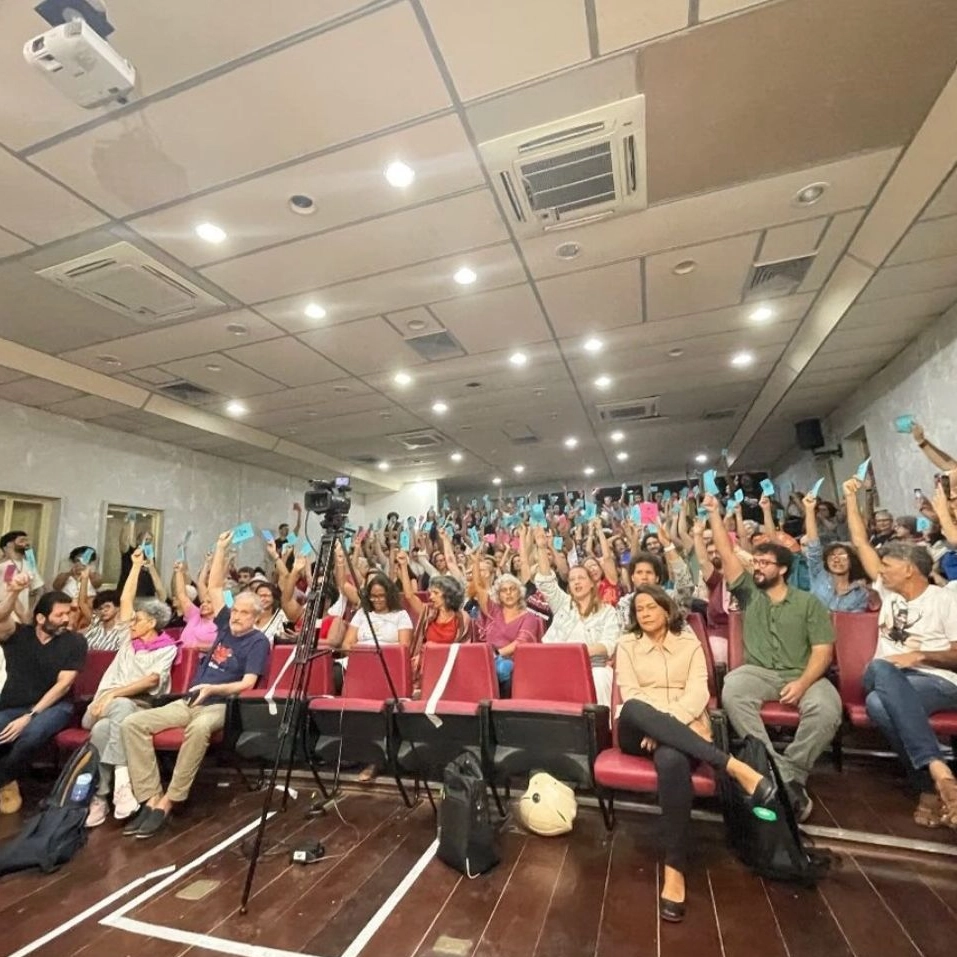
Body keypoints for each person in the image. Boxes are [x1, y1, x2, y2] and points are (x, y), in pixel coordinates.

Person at [616, 585, 776, 923]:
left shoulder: (688, 643)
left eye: (650, 607)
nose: (643, 613)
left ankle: (674, 868)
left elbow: (698, 692)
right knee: (632, 706)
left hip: (683, 727)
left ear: (666, 609)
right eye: (638, 609)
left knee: (672, 759)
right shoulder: (627, 644)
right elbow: (630, 693)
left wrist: (665, 725)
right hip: (637, 731)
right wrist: (655, 724)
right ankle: (731, 765)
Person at [119, 531, 269, 838]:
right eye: (236, 610)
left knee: (199, 729)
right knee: (132, 723)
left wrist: (213, 689)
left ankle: (170, 800)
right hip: (191, 700)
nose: (237, 616)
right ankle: (149, 796)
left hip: (220, 705)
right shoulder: (225, 626)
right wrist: (220, 546)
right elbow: (213, 587)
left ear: (256, 616)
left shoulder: (258, 641)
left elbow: (248, 682)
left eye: (244, 613)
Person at [704, 494, 841, 822]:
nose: (757, 566)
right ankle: (777, 771)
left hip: (804, 673)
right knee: (733, 688)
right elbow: (726, 553)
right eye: (756, 562)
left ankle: (790, 774)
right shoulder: (749, 593)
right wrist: (714, 514)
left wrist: (804, 681)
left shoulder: (808, 603)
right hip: (759, 673)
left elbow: (823, 650)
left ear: (782, 568)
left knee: (828, 709)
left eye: (764, 563)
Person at [844, 476, 957, 828]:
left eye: (888, 567)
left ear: (909, 569)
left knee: (879, 702)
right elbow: (859, 541)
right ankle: (940, 770)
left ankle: (927, 784)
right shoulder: (889, 594)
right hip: (889, 675)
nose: (880, 572)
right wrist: (852, 498)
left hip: (937, 683)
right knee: (880, 669)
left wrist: (920, 657)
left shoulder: (946, 598)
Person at [83, 549, 177, 827]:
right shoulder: (128, 640)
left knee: (105, 729)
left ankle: (99, 798)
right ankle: (124, 781)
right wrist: (135, 566)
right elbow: (125, 598)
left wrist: (114, 693)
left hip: (135, 709)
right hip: (98, 707)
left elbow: (150, 681)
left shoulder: (166, 648)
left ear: (152, 623)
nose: (131, 622)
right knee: (115, 713)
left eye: (137, 619)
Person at [0, 582, 86, 814]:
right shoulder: (19, 635)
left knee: (30, 734)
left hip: (54, 707)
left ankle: (4, 780)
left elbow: (63, 685)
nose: (66, 619)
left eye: (68, 613)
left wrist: (30, 715)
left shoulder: (75, 642)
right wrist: (14, 592)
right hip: (13, 704)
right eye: (60, 615)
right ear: (40, 618)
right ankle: (9, 781)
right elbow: (1, 618)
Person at [531, 526, 619, 707]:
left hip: (593, 667)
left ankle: (601, 730)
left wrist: (575, 653)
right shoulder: (563, 604)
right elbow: (547, 582)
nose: (577, 582)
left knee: (600, 676)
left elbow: (608, 645)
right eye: (572, 580)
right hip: (556, 663)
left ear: (592, 583)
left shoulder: (607, 611)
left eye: (581, 578)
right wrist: (541, 548)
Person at [801, 493, 871, 612]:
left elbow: (856, 622)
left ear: (851, 561)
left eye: (842, 556)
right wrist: (809, 510)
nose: (837, 559)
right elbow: (813, 546)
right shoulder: (819, 574)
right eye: (832, 556)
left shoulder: (860, 592)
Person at [0, 531, 44, 623]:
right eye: (22, 540)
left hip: (24, 619)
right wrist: (23, 616)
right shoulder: (9, 566)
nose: (26, 543)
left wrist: (32, 610)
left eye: (27, 540)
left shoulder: (30, 565)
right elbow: (10, 592)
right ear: (9, 544)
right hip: (9, 618)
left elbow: (39, 589)